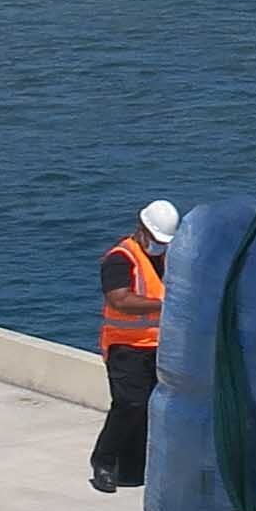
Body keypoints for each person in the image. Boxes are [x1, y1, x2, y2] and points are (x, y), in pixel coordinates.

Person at [91, 197, 177, 494]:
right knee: (130, 404)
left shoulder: (167, 258)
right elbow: (120, 299)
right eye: (155, 239)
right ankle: (103, 461)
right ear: (142, 230)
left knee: (152, 409)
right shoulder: (120, 258)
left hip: (158, 346)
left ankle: (132, 468)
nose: (159, 245)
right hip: (125, 346)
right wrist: (163, 305)